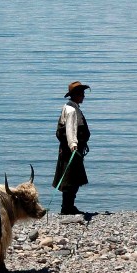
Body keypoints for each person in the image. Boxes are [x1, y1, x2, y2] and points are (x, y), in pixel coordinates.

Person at [52, 81, 91, 215]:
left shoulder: (69, 106)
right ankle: (67, 207)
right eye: (81, 94)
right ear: (75, 95)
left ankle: (68, 206)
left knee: (72, 178)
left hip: (69, 148)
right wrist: (73, 145)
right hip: (71, 150)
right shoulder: (72, 110)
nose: (83, 96)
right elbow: (70, 129)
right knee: (70, 179)